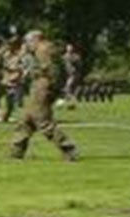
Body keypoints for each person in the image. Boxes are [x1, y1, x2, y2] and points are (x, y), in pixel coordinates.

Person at [8, 30, 79, 161]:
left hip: (42, 86)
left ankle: (67, 148)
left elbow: (50, 70)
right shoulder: (47, 48)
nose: (27, 45)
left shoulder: (43, 49)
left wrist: (49, 87)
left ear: (35, 39)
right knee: (27, 120)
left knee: (42, 120)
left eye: (28, 42)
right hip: (40, 85)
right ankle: (17, 151)